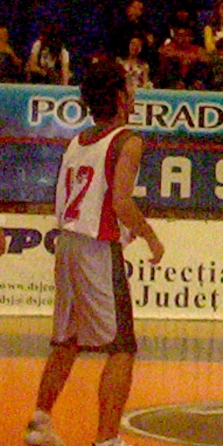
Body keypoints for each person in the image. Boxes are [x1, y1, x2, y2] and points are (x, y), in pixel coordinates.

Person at [25, 59, 165, 446]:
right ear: (119, 96)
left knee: (66, 339)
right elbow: (121, 202)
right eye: (129, 88)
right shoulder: (127, 140)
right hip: (96, 248)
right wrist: (151, 236)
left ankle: (40, 422)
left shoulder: (78, 140)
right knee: (121, 347)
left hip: (66, 243)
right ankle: (107, 440)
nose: (133, 95)